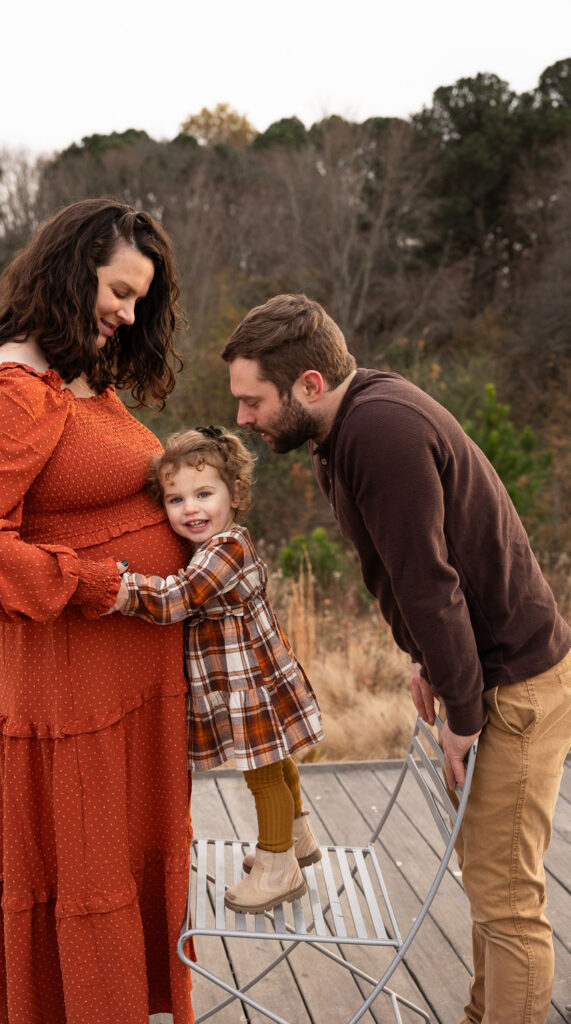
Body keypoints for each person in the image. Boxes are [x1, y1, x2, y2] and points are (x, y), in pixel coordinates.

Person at [221, 292, 571, 1024]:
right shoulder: (352, 419)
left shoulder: (379, 431)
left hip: (515, 681)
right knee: (488, 883)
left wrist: (462, 714)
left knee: (506, 899)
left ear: (309, 385)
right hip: (484, 671)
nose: (244, 420)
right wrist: (426, 662)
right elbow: (424, 565)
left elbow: (428, 581)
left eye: (253, 402)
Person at [0, 198, 195, 1024]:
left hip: (130, 695)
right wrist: (94, 582)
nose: (129, 311)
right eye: (118, 289)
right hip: (72, 699)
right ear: (72, 271)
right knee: (85, 886)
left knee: (123, 877)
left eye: (140, 298)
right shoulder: (17, 390)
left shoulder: (79, 380)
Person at [110, 426, 324, 914]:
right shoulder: (210, 547)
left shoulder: (227, 549)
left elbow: (177, 599)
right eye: (176, 499)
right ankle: (298, 837)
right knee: (276, 761)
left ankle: (279, 868)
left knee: (262, 774)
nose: (191, 508)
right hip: (249, 681)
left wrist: (121, 590)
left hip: (252, 685)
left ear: (234, 493)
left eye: (204, 494)